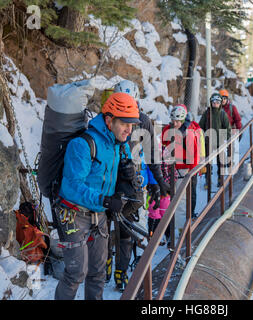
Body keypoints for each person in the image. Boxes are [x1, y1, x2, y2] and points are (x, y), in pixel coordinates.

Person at [54, 92, 140, 300]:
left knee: (98, 273)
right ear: (109, 120)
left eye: (132, 124)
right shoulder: (83, 144)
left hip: (100, 216)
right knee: (76, 273)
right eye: (125, 123)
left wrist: (129, 177)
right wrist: (105, 200)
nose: (129, 130)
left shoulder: (122, 146)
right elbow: (71, 186)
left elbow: (120, 181)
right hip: (73, 215)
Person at [106, 80, 170, 291]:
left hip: (131, 181)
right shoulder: (106, 120)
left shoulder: (143, 121)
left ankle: (121, 271)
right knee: (103, 227)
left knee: (125, 228)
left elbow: (151, 154)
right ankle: (106, 261)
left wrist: (158, 181)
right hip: (106, 180)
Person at [162, 104, 205, 218]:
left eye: (177, 121)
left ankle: (183, 224)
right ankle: (178, 223)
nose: (175, 124)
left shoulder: (189, 133)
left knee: (183, 199)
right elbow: (164, 140)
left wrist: (192, 172)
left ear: (182, 120)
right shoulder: (171, 129)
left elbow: (194, 155)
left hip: (185, 170)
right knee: (175, 198)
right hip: (174, 169)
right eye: (173, 121)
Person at [198, 93, 231, 187]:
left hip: (219, 141)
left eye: (217, 102)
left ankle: (220, 179)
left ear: (220, 103)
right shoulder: (207, 113)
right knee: (208, 162)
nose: (215, 104)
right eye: (213, 102)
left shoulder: (222, 114)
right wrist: (201, 137)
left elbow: (227, 127)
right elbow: (201, 126)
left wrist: (227, 139)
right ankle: (207, 180)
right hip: (208, 141)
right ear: (211, 103)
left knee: (221, 161)